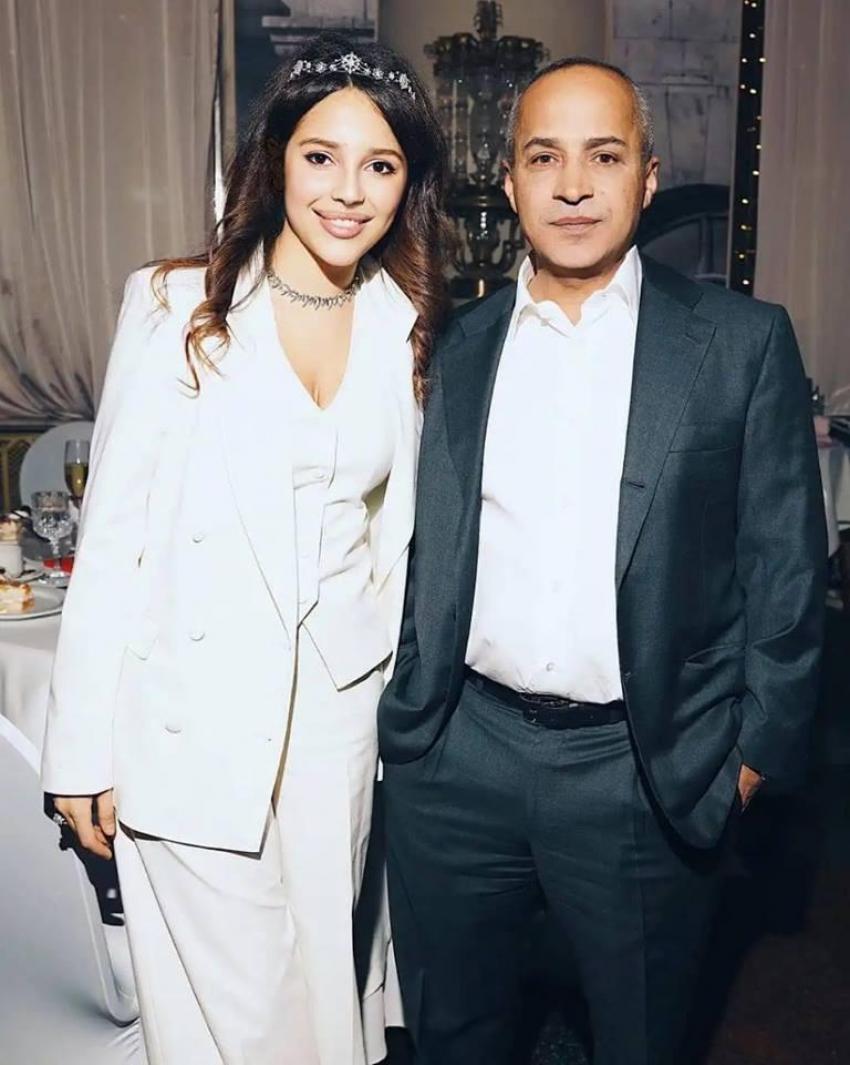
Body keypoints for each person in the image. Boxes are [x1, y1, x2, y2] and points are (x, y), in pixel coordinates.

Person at [378, 57, 826, 1065]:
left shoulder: (740, 342)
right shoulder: (450, 343)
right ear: (510, 183)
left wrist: (751, 757)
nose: (573, 185)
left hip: (642, 768)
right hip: (457, 760)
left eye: (604, 155)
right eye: (544, 157)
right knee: (453, 1037)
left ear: (648, 177)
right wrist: (414, 732)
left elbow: (788, 571)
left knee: (639, 1037)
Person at [41, 32, 449, 1065]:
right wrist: (79, 747)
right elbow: (114, 535)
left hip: (334, 730)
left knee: (323, 1000)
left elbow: (390, 545)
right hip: (191, 718)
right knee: (254, 1023)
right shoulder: (176, 304)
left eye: (380, 164)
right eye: (321, 156)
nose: (348, 191)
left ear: (408, 183)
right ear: (275, 156)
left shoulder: (406, 324)